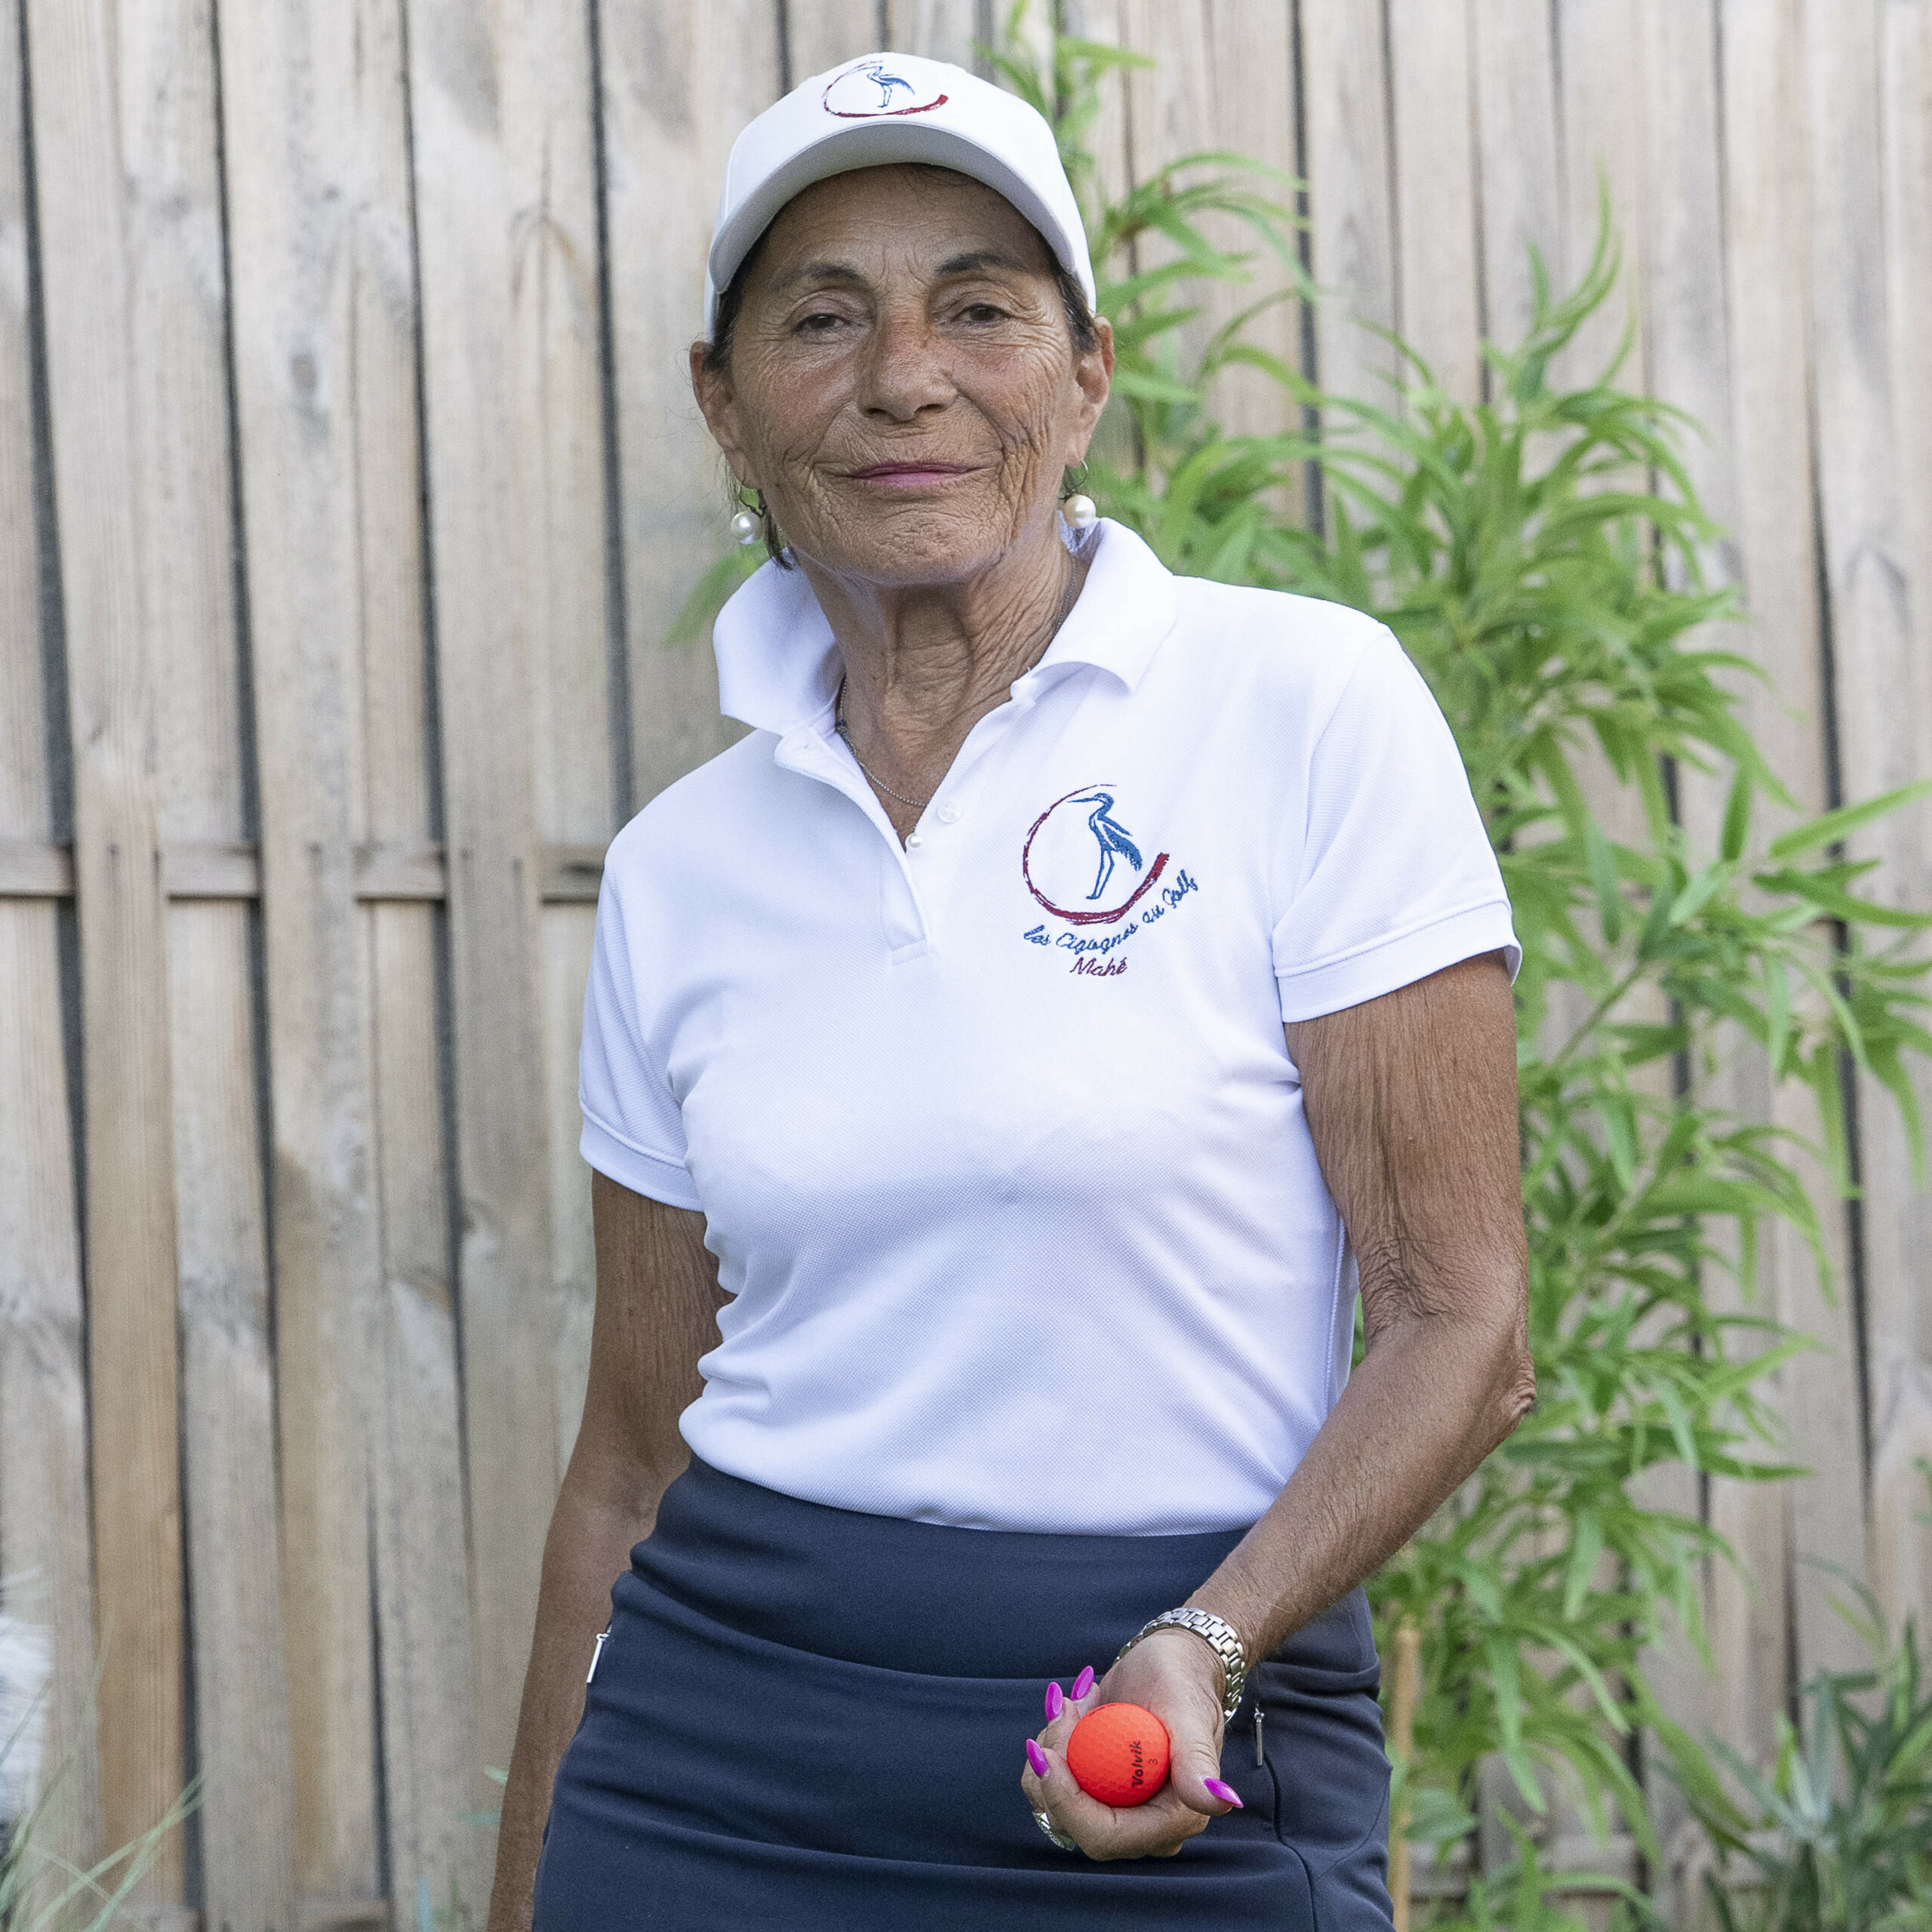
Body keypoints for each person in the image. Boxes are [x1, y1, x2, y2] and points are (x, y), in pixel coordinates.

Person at [488, 49, 1533, 1932]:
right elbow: (630, 1458)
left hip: (1167, 1732)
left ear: (1085, 374)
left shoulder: (1301, 708)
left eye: (978, 308)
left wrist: (1209, 1637)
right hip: (710, 1755)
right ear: (725, 405)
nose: (905, 376)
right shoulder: (680, 865)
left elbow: (1464, 1322)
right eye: (824, 318)